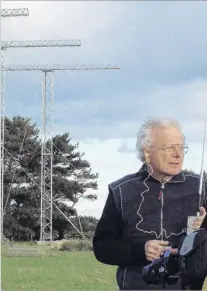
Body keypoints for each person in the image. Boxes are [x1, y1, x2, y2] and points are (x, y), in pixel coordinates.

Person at [92, 117, 207, 290]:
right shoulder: (121, 191)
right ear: (147, 152)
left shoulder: (202, 187)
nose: (178, 154)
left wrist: (204, 229)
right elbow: (102, 247)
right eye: (169, 147)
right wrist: (140, 251)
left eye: (181, 147)